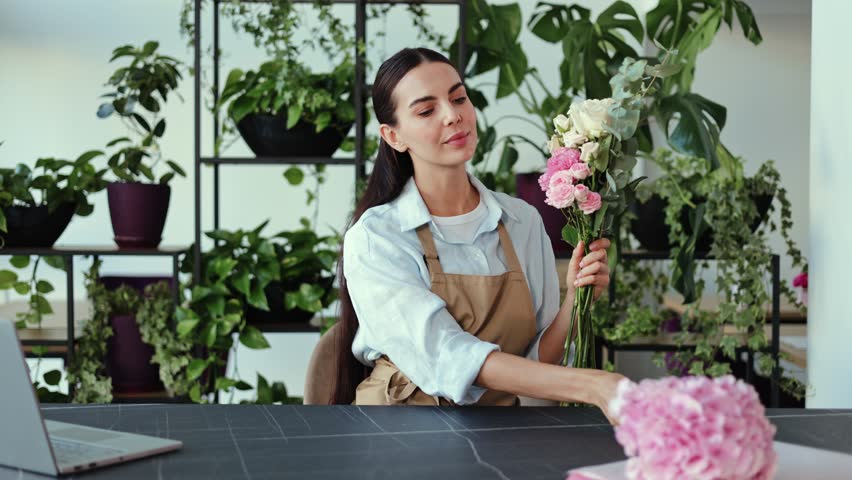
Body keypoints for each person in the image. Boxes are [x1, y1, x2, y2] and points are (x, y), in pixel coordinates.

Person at [331, 47, 626, 422]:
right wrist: (593, 386)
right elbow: (447, 357)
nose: (453, 116)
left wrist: (576, 300)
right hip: (397, 430)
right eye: (426, 110)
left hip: (497, 428)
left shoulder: (522, 220)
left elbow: (534, 361)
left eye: (458, 98)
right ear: (393, 136)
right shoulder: (377, 237)